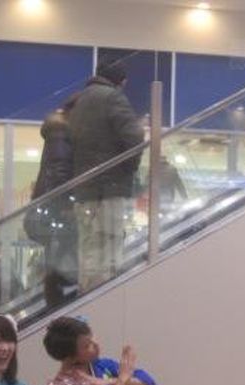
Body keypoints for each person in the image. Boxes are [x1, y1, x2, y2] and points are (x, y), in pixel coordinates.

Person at [67, 60, 145, 293]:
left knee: (89, 248)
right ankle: (105, 298)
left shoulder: (79, 101)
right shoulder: (113, 98)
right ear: (120, 81)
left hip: (84, 190)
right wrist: (129, 170)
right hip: (109, 188)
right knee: (109, 247)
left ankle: (86, 296)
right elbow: (134, 137)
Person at [29, 95, 79, 307]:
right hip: (58, 208)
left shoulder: (58, 131)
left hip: (52, 207)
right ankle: (57, 307)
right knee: (61, 262)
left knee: (58, 260)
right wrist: (66, 203)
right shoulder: (61, 132)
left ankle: (55, 306)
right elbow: (60, 171)